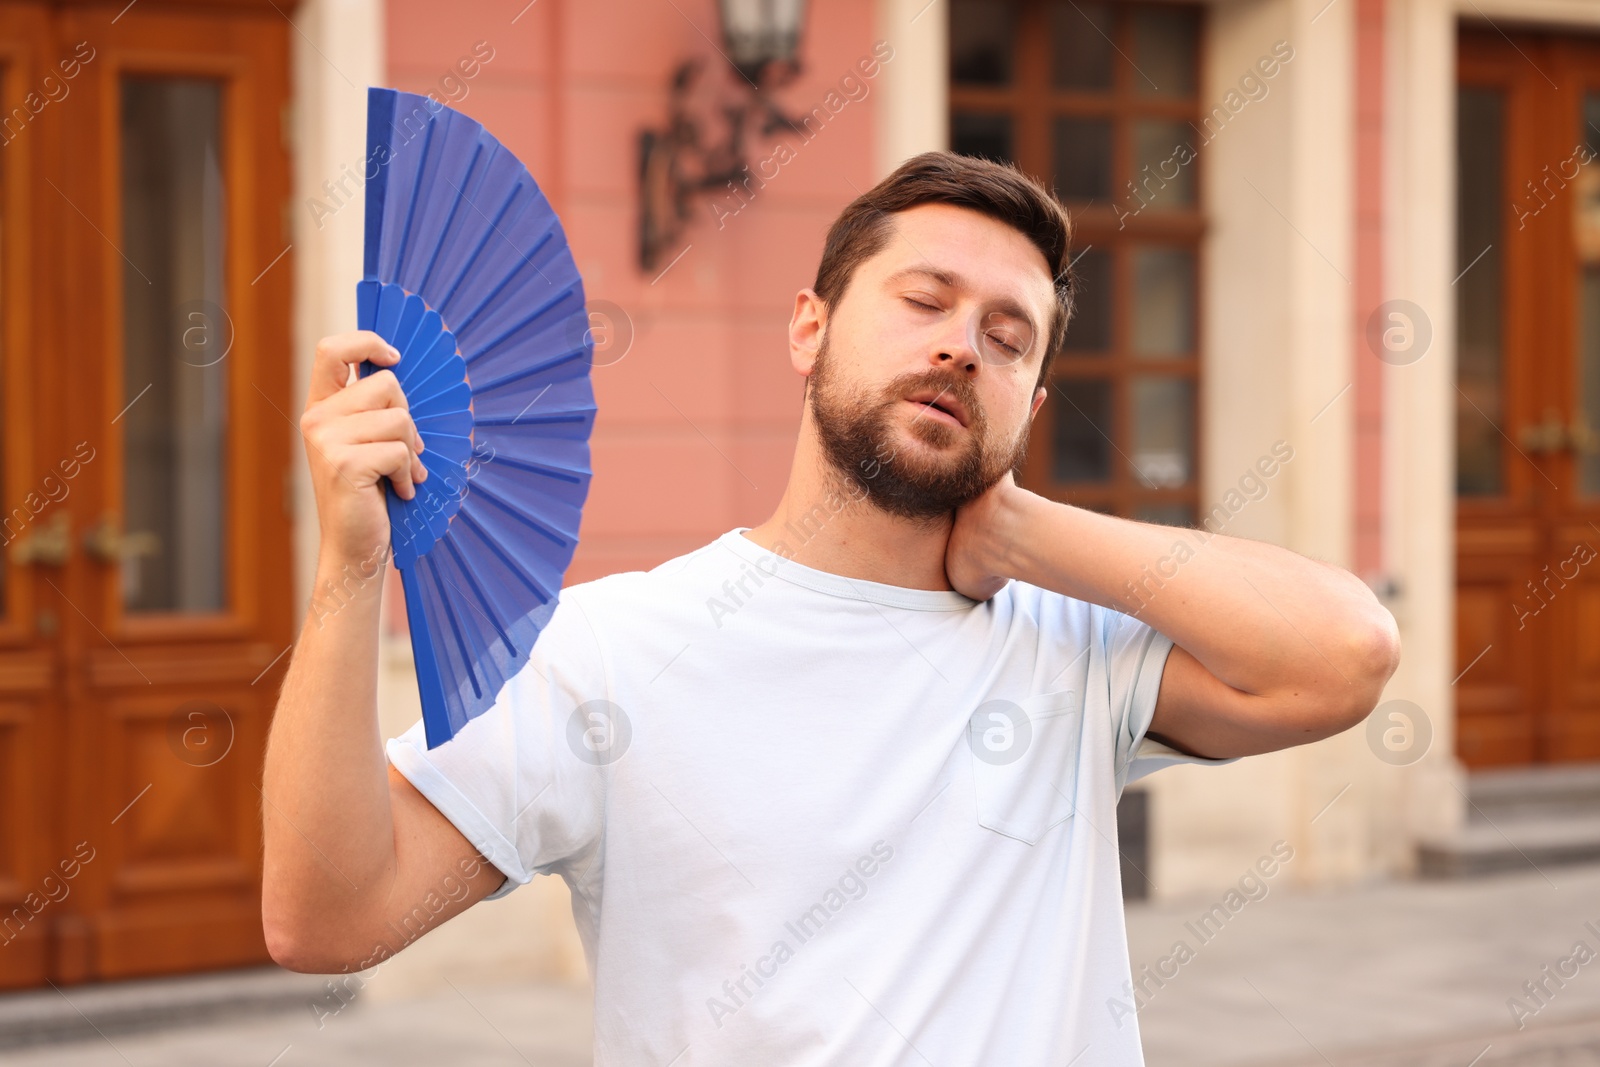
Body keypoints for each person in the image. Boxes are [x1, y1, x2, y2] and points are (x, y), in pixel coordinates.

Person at [262, 151, 1400, 1065]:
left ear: (1032, 401)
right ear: (808, 327)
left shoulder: (1075, 648)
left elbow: (1344, 652)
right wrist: (350, 571)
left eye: (1008, 338)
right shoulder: (609, 650)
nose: (961, 343)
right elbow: (328, 919)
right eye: (923, 301)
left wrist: (1024, 530)